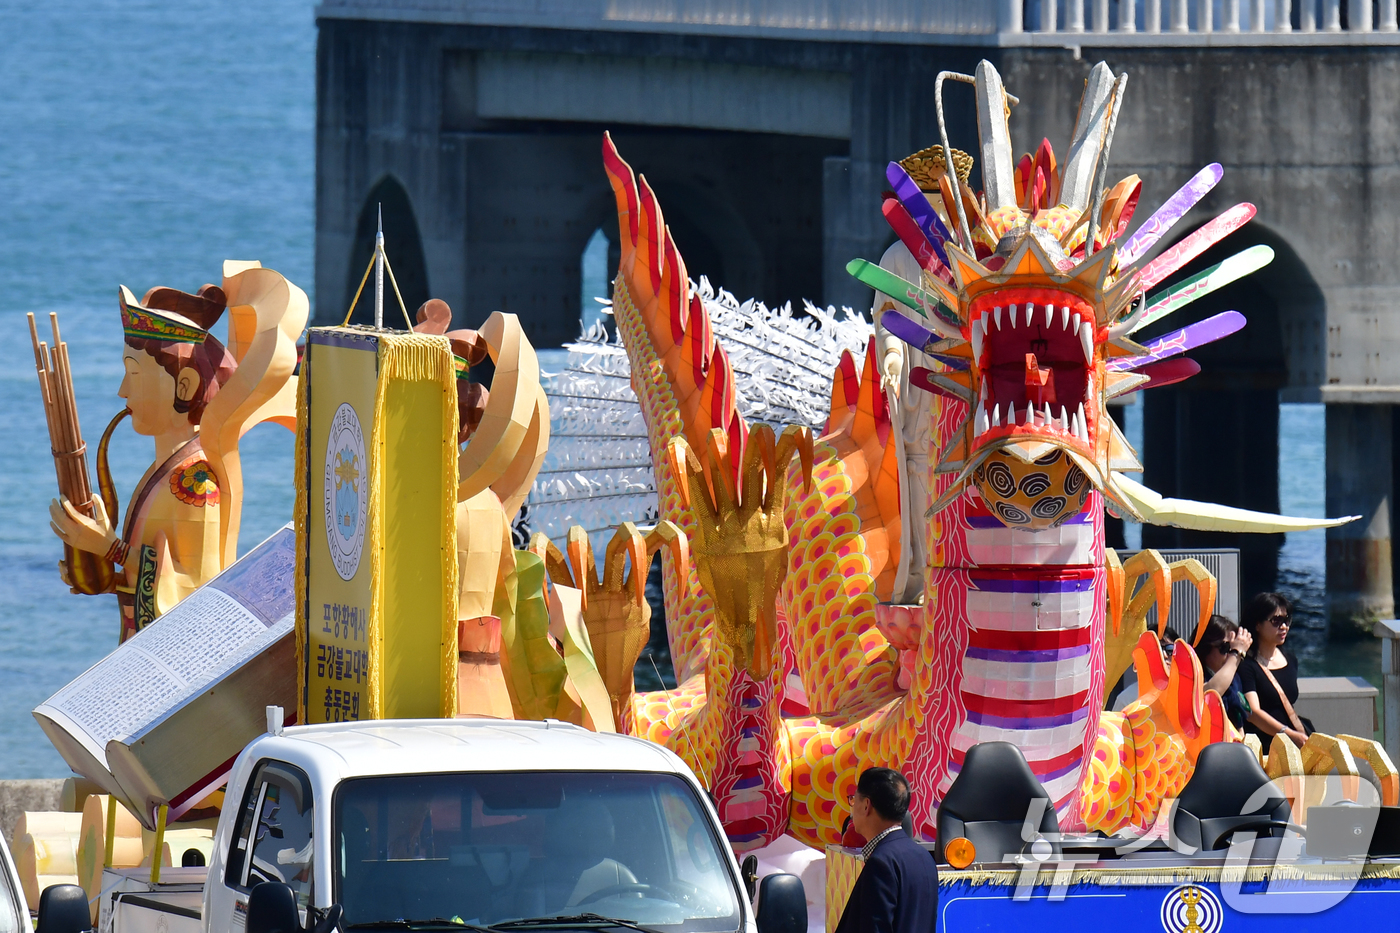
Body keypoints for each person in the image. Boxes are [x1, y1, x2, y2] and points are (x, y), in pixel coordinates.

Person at [834, 768, 938, 933]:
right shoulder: (924, 857)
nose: (852, 808)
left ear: (866, 805)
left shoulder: (881, 862)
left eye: (854, 800)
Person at [1238, 592, 1311, 746]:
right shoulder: (1246, 665)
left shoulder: (1290, 659)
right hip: (1264, 745)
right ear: (1257, 624)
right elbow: (1252, 712)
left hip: (1293, 741)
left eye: (1287, 620)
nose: (1284, 627)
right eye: (1276, 621)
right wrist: (1288, 733)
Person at [1191, 614, 1253, 730]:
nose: (1230, 654)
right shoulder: (1193, 676)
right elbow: (1210, 693)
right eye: (1225, 647)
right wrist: (1236, 653)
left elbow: (1239, 723)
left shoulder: (1235, 679)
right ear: (1206, 647)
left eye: (1233, 648)